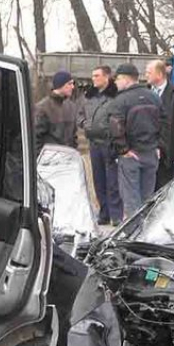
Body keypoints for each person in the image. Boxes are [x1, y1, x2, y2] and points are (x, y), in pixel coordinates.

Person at [107, 63, 163, 219]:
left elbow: (115, 126)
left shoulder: (120, 100)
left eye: (117, 79)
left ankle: (134, 236)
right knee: (147, 198)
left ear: (125, 79)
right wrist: (158, 146)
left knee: (131, 199)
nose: (115, 83)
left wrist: (124, 150)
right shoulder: (154, 97)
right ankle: (145, 232)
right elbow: (165, 123)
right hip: (151, 153)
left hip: (131, 155)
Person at [80, 65, 122, 226]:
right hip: (94, 143)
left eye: (97, 76)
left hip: (109, 142)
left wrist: (108, 129)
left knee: (113, 181)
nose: (93, 79)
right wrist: (85, 124)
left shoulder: (115, 96)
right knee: (98, 180)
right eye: (92, 76)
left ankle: (116, 214)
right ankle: (103, 213)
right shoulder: (88, 96)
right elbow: (80, 114)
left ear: (106, 77)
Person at [146, 59, 174, 187]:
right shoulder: (145, 93)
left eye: (149, 72)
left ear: (159, 75)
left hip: (169, 154)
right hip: (149, 151)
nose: (146, 75)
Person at [34, 70, 77, 155]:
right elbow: (35, 138)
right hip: (50, 161)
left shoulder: (71, 106)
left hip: (68, 160)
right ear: (60, 85)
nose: (72, 87)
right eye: (69, 84)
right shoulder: (42, 108)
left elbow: (74, 137)